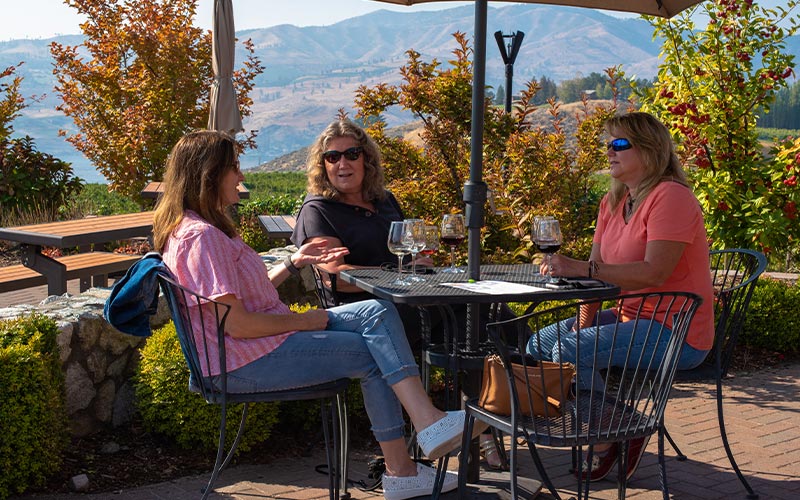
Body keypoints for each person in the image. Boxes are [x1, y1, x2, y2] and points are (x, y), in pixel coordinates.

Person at [152, 130, 485, 500]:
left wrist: (294, 262)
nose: (241, 175)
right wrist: (304, 320)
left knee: (376, 311)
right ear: (209, 174)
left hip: (257, 345)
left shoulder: (201, 229)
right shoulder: (202, 237)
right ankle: (404, 467)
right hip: (243, 360)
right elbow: (238, 324)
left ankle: (426, 425)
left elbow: (244, 291)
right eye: (234, 167)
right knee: (374, 354)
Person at [292, 118, 505, 469]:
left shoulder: (386, 201)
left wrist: (417, 262)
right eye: (332, 157)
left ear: (367, 160)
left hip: (408, 302)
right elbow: (337, 277)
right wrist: (397, 272)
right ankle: (466, 428)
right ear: (322, 164)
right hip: (363, 314)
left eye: (351, 154)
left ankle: (485, 421)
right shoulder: (318, 210)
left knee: (480, 316)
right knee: (462, 321)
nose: (342, 164)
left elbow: (404, 250)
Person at [526, 112, 715, 482]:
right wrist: (582, 322)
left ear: (649, 150)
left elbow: (654, 271)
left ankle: (609, 436)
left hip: (676, 329)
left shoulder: (671, 197)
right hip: (631, 316)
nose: (609, 152)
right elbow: (595, 278)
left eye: (619, 144)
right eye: (607, 144)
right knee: (539, 343)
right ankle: (620, 426)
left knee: (569, 351)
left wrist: (581, 271)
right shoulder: (612, 202)